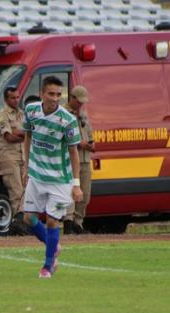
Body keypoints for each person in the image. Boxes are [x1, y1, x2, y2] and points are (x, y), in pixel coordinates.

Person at [22, 76, 83, 279]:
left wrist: (76, 184)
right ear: (42, 94)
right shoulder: (31, 111)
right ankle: (53, 245)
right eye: (51, 94)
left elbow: (74, 152)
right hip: (37, 175)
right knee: (28, 218)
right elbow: (28, 136)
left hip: (59, 179)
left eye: (59, 94)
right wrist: (26, 165)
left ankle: (48, 267)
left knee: (51, 222)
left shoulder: (67, 120)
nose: (55, 98)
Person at [0, 86, 28, 235]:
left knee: (25, 191)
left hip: (22, 157)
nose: (16, 100)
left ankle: (21, 224)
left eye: (17, 97)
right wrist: (23, 135)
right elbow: (9, 137)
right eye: (12, 98)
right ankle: (18, 223)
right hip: (8, 157)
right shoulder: (2, 116)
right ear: (6, 99)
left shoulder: (21, 114)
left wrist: (20, 133)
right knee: (16, 191)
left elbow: (26, 133)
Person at [63, 85, 94, 235]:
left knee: (85, 193)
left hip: (85, 159)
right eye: (79, 101)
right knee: (71, 191)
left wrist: (89, 145)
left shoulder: (84, 116)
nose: (81, 104)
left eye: (83, 102)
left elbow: (91, 138)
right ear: (72, 97)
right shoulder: (63, 114)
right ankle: (68, 223)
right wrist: (77, 143)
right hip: (70, 158)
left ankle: (78, 222)